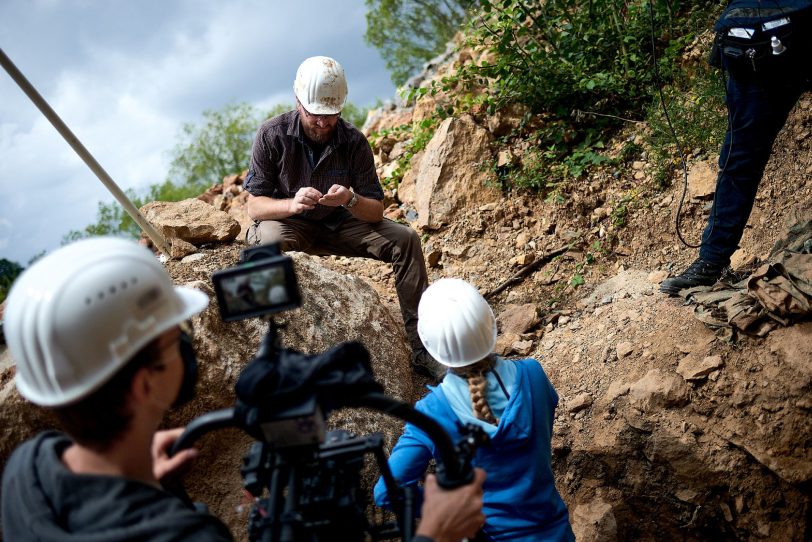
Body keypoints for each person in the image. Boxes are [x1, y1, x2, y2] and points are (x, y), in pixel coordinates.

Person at [1, 237, 486, 542]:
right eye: (178, 339)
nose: (189, 346)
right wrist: (434, 533)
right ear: (146, 381)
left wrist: (134, 473)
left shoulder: (29, 470)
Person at [243, 56, 436, 378]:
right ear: (298, 102)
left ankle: (422, 349)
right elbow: (254, 207)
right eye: (314, 115)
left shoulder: (353, 141)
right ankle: (269, 352)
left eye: (330, 116)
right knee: (266, 243)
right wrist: (292, 205)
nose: (322, 123)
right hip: (291, 224)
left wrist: (350, 199)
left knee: (406, 239)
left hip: (341, 224)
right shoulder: (272, 135)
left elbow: (376, 209)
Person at [374, 278, 575, 541]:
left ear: (431, 346)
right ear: (490, 323)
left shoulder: (432, 412)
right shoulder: (534, 377)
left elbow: (387, 492)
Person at [661, 0, 812, 295]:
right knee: (740, 157)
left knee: (740, 157)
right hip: (757, 46)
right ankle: (711, 261)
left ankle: (711, 261)